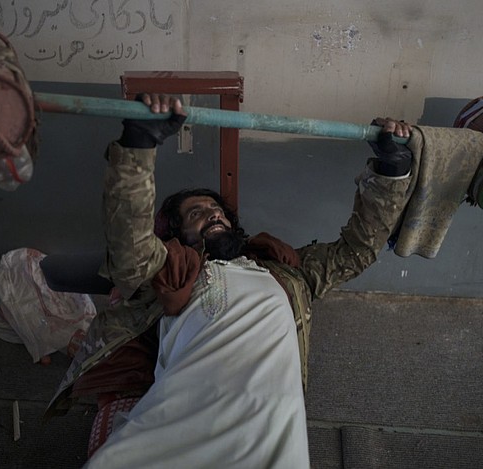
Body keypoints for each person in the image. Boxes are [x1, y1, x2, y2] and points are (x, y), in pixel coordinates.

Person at [45, 94, 414, 468]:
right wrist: (139, 145)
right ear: (175, 234)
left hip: (266, 426)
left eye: (217, 209)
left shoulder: (287, 271)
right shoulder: (169, 270)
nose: (213, 213)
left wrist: (390, 171)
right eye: (197, 213)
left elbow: (357, 251)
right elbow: (129, 244)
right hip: (182, 416)